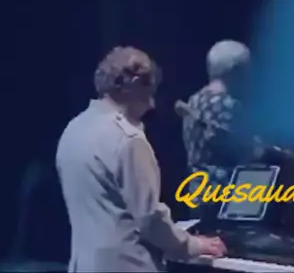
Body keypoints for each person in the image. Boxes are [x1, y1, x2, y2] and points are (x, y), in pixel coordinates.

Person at [56, 46, 226, 272]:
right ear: (133, 84)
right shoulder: (128, 139)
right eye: (150, 91)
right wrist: (194, 244)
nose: (151, 104)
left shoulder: (73, 130)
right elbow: (150, 219)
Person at [181, 41, 268, 209]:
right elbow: (250, 154)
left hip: (198, 192)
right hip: (226, 199)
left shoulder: (193, 101)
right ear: (235, 70)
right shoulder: (229, 106)